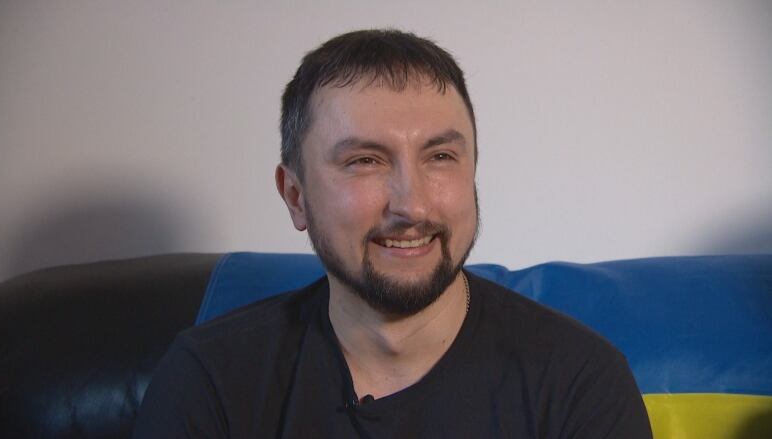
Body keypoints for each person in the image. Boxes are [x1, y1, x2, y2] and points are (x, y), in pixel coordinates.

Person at [133, 29, 652, 438]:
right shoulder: (208, 381)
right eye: (364, 161)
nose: (413, 205)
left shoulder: (582, 383)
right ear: (295, 196)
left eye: (441, 156)